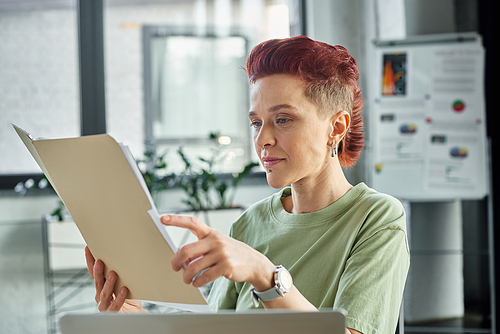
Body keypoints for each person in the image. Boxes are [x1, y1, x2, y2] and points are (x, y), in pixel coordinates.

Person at [85, 35, 410, 334]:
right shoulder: (249, 224)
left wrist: (266, 276)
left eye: (283, 119)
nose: (263, 139)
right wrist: (138, 322)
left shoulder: (377, 219)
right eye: (256, 122)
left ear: (336, 127)